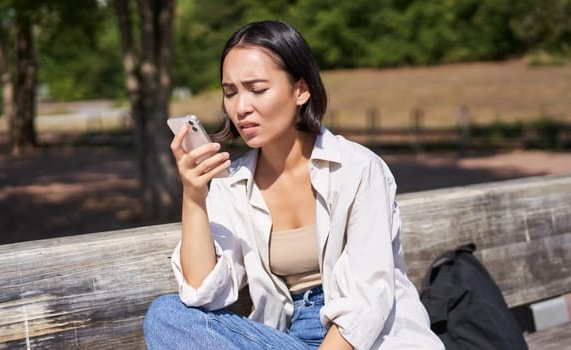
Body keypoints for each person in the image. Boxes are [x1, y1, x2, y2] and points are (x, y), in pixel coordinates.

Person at [143, 20, 444, 350]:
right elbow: (202, 291)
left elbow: (369, 299)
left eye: (257, 89)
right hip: (292, 337)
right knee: (166, 314)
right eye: (230, 92)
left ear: (301, 90)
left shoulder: (357, 168)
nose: (241, 107)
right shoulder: (233, 185)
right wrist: (194, 195)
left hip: (370, 339)